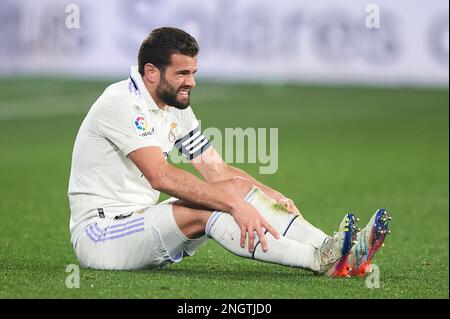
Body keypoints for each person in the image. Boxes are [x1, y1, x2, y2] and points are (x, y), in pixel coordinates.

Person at [68, 27, 390, 277]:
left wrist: (265, 193)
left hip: (140, 223)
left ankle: (334, 249)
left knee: (232, 188)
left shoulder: (174, 106)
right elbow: (160, 175)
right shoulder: (123, 103)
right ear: (151, 72)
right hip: (102, 235)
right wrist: (235, 205)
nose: (191, 82)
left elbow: (217, 171)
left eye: (193, 72)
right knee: (210, 206)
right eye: (182, 73)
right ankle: (318, 261)